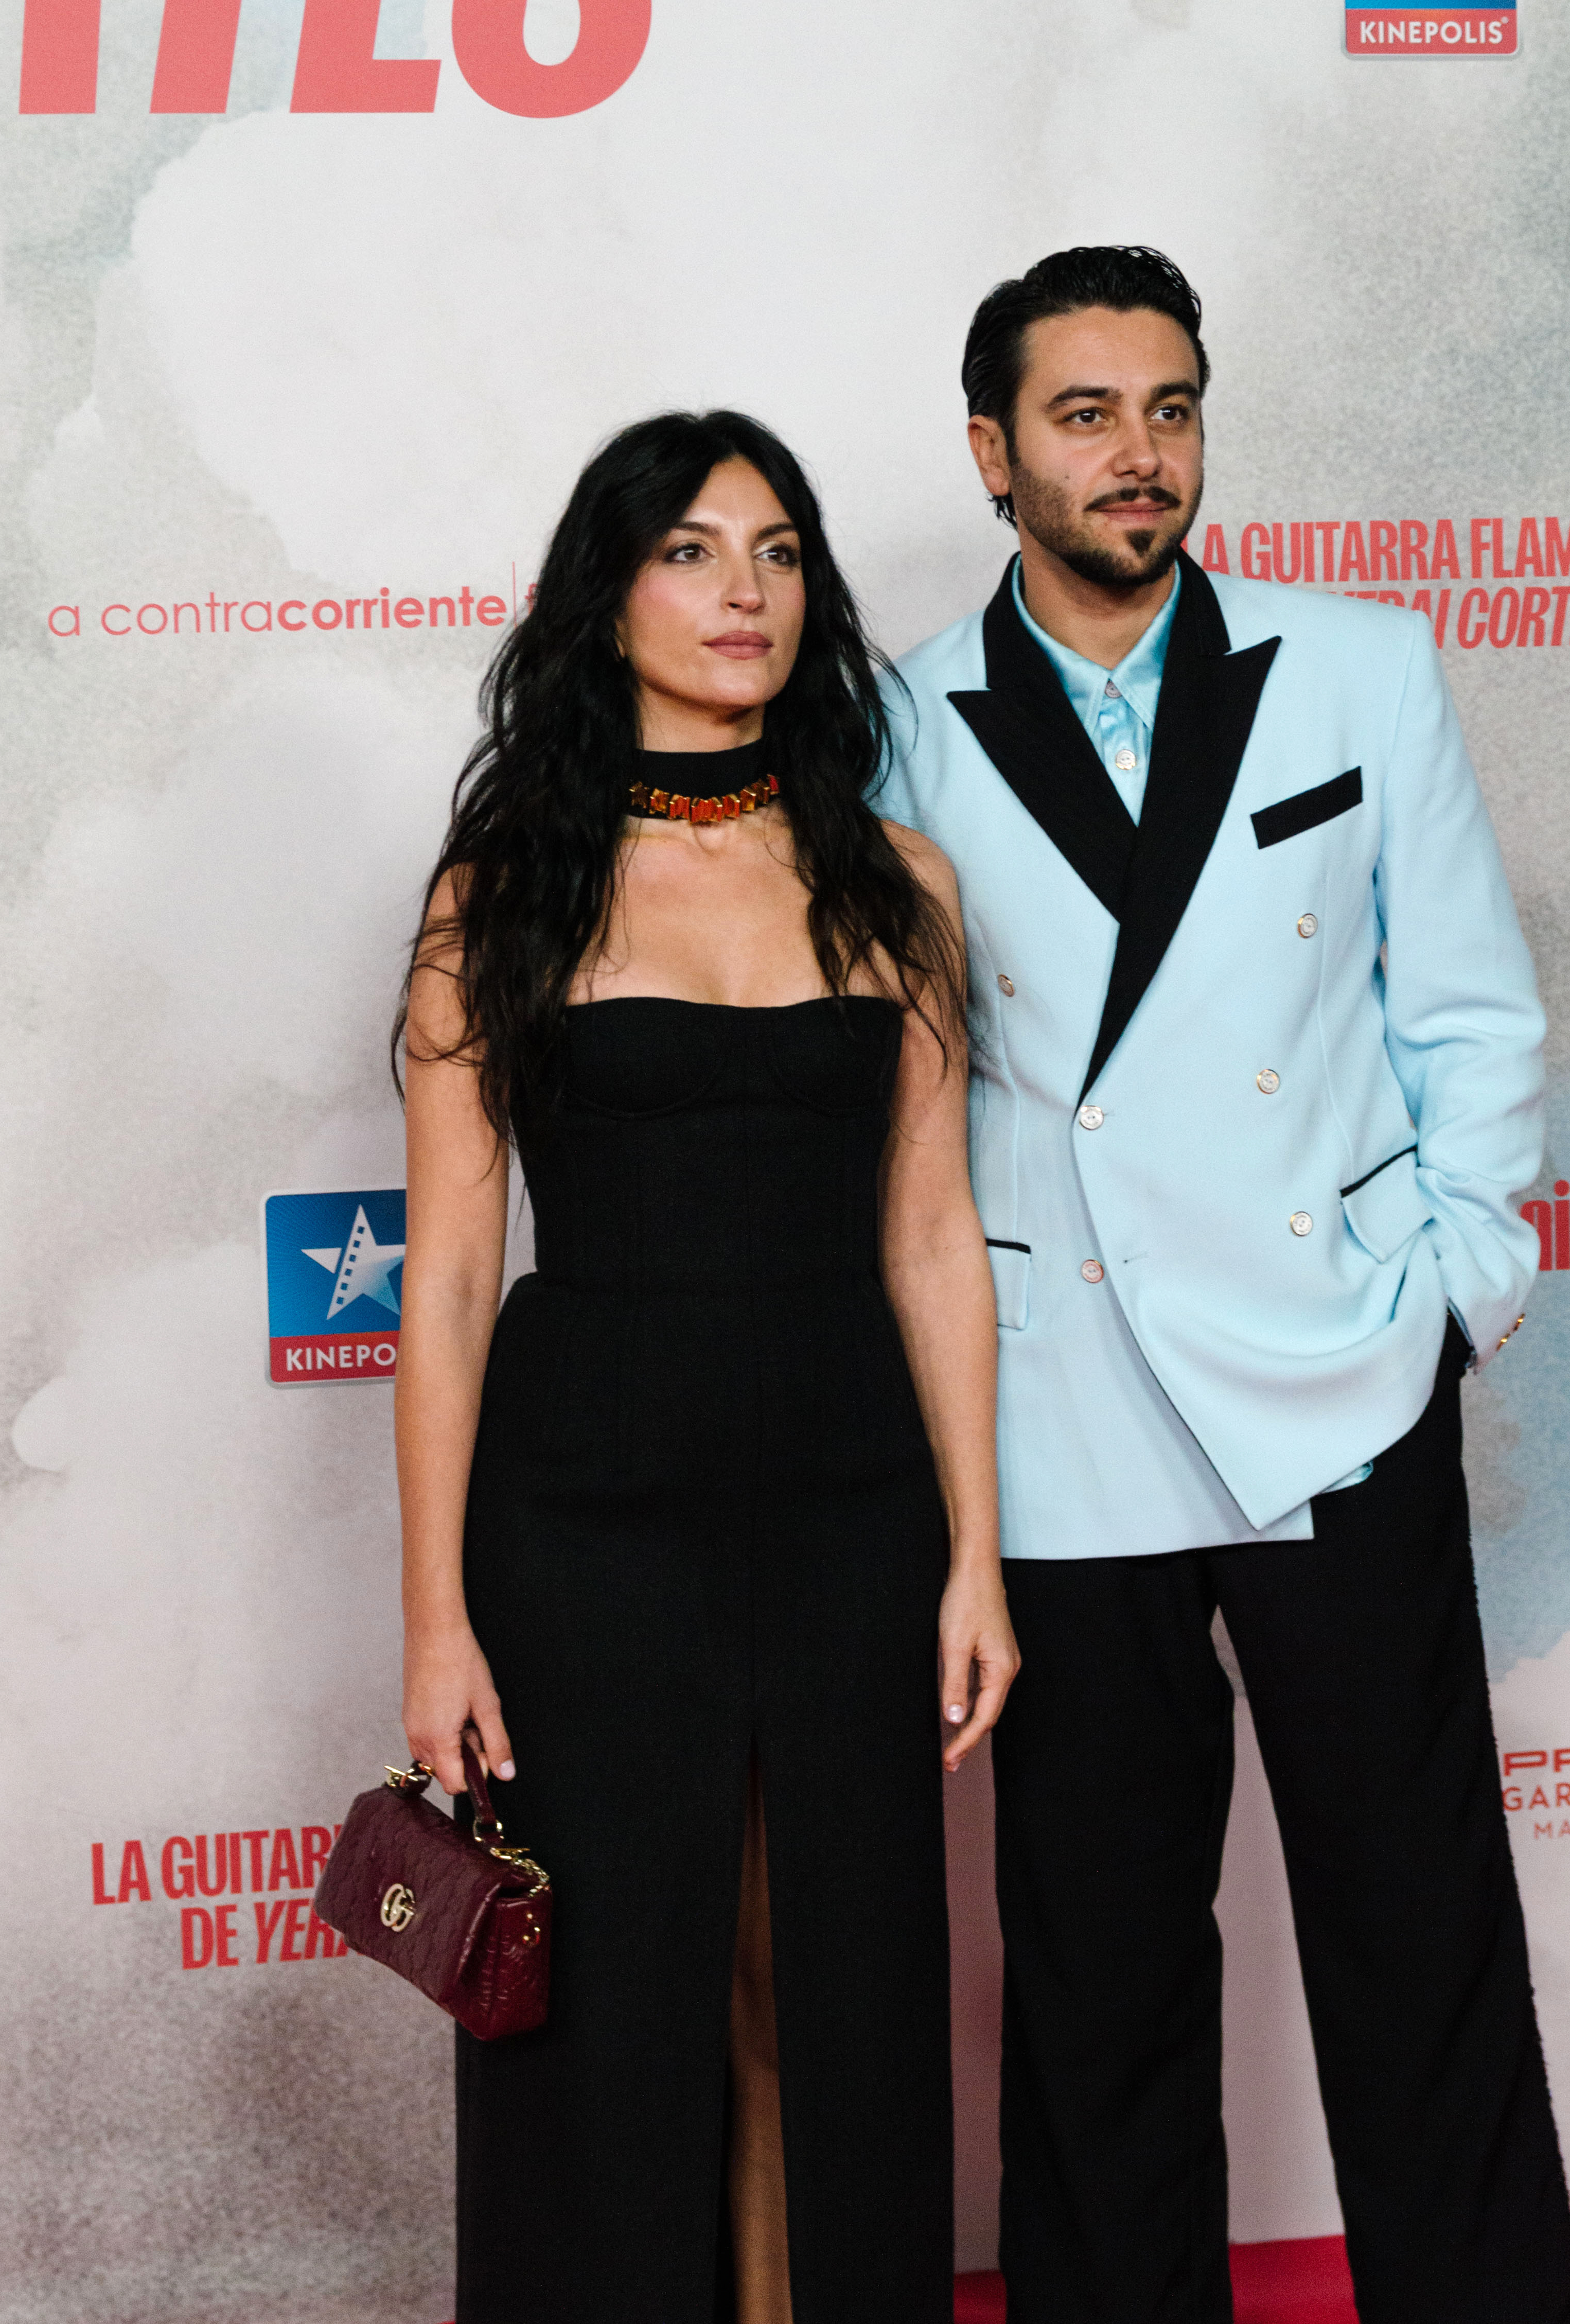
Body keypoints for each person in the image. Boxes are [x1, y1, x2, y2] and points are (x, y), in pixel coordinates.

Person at [878, 247, 1570, 2324]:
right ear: (992, 451)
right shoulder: (897, 725)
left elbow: (1467, 1008)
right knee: (1098, 1960)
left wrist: (1450, 1290)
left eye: (1171, 407)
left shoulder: (1358, 667)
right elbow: (894, 1093)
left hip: (1338, 1367)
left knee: (1419, 1921)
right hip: (1063, 1403)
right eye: (1085, 414)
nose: (1140, 453)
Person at [392, 410, 1018, 2324]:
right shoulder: (502, 890)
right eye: (688, 550)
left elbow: (934, 1238)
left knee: (840, 1989)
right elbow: (447, 1278)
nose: (743, 591)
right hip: (585, 1528)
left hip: (850, 1513)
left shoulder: (897, 881)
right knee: (608, 2001)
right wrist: (436, 1622)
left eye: (777, 551)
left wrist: (974, 1557)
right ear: (607, 597)